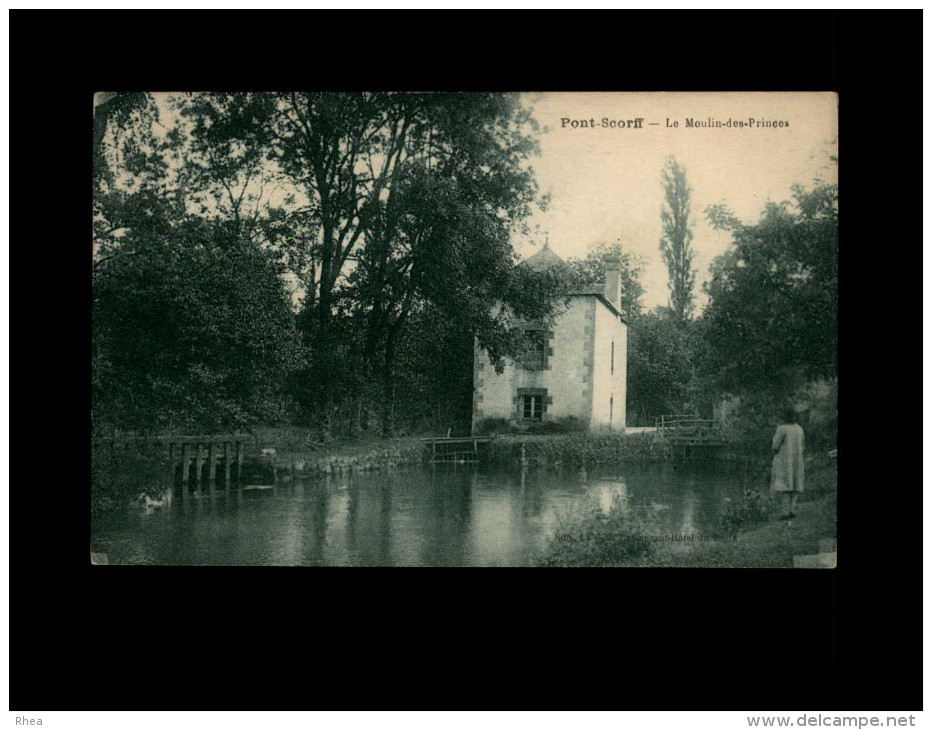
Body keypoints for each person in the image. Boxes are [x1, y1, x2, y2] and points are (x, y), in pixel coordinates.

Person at [771, 407, 805, 519]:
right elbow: (803, 446)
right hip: (797, 460)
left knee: (785, 486)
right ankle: (792, 510)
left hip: (785, 461)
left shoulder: (782, 429)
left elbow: (775, 446)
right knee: (795, 485)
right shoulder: (799, 429)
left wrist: (778, 451)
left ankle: (785, 512)